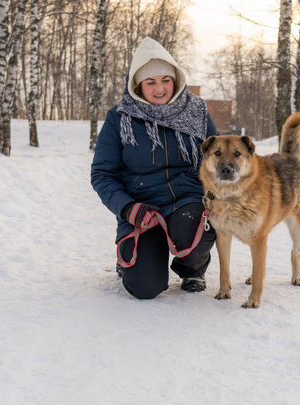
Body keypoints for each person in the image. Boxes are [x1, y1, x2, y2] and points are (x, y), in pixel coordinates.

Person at [90, 37, 217, 299]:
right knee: (145, 288)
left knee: (193, 228)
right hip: (142, 207)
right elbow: (102, 174)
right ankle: (133, 258)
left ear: (176, 79)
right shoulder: (120, 117)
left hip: (187, 199)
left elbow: (217, 159)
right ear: (138, 85)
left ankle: (191, 268)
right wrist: (127, 208)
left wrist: (216, 195)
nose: (160, 89)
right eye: (151, 82)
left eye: (165, 80)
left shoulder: (197, 111)